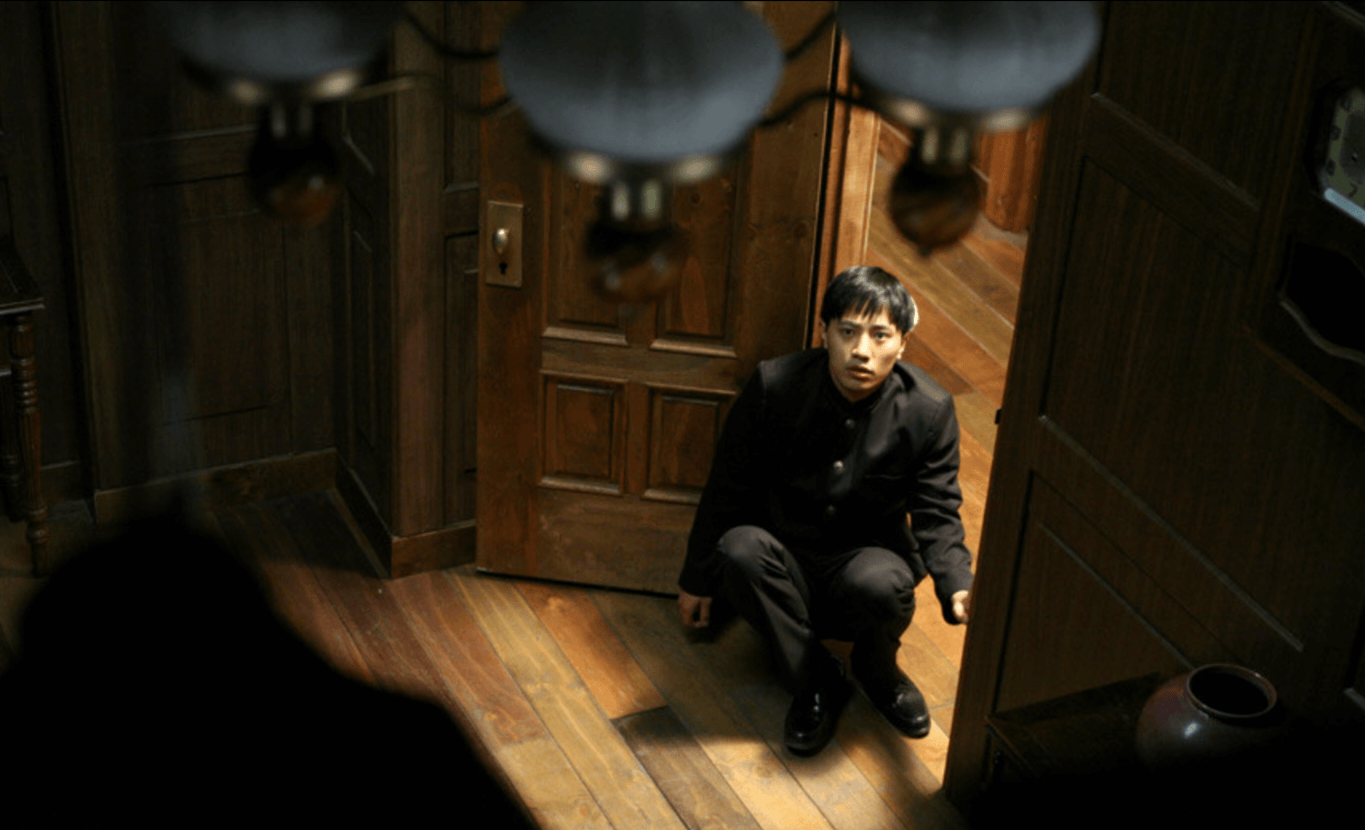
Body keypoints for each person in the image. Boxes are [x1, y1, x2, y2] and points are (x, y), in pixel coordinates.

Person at [676, 264, 974, 756]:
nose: (861, 350)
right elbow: (727, 486)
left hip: (864, 562)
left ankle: (878, 672)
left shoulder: (930, 409)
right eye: (848, 332)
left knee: (885, 583)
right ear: (824, 332)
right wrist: (696, 578)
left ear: (902, 344)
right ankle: (815, 678)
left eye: (880, 335)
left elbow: (937, 509)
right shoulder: (774, 385)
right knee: (738, 549)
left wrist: (957, 582)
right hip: (784, 559)